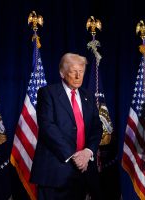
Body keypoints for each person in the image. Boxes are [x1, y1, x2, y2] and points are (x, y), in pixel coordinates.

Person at [30, 53, 103, 200]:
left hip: (84, 170)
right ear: (62, 73)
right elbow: (47, 127)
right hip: (55, 172)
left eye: (81, 72)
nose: (78, 76)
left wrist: (88, 152)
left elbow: (97, 127)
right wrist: (74, 155)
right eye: (73, 71)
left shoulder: (87, 96)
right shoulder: (48, 93)